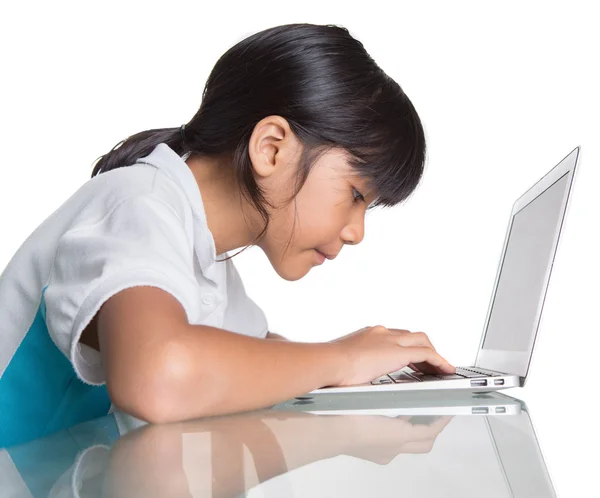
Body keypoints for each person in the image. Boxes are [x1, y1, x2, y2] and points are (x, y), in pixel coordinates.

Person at [0, 23, 455, 448]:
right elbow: (159, 378)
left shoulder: (204, 257)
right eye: (355, 193)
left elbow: (247, 356)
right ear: (271, 148)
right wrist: (342, 359)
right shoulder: (139, 205)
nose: (356, 232)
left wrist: (362, 366)